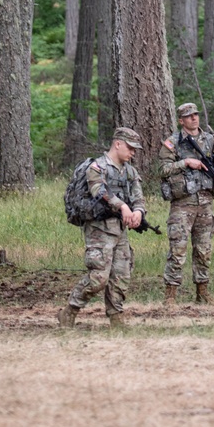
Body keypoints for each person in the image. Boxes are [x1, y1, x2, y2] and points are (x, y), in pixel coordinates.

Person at [58, 127, 146, 329]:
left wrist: (138, 212)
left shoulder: (130, 171)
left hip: (120, 231)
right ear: (118, 144)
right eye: (130, 148)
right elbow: (99, 190)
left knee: (121, 276)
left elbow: (138, 197)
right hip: (100, 230)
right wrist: (122, 206)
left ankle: (116, 318)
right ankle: (69, 311)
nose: (133, 153)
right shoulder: (98, 167)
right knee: (98, 278)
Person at [160, 102, 214, 306]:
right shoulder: (173, 142)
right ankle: (170, 296)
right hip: (183, 203)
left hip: (205, 202)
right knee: (178, 250)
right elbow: (162, 170)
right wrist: (186, 163)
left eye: (195, 114)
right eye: (189, 116)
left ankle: (202, 292)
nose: (194, 118)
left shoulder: (210, 140)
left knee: (203, 250)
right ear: (181, 120)